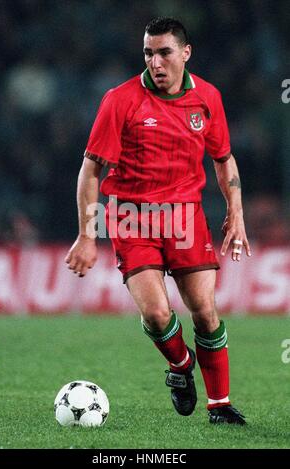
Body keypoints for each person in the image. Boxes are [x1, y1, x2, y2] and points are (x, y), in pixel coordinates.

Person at [65, 17, 251, 425]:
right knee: (156, 315)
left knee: (204, 311)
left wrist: (236, 215)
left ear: (185, 53)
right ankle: (181, 368)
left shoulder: (208, 98)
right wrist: (86, 234)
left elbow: (223, 159)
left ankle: (219, 405)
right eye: (148, 52)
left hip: (186, 216)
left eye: (164, 52)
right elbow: (91, 171)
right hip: (132, 217)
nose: (155, 61)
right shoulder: (120, 100)